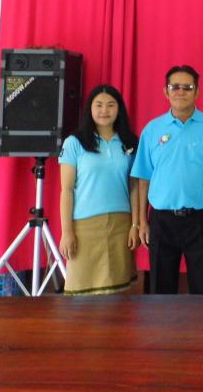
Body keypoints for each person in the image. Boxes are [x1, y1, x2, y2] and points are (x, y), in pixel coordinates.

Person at [131, 65, 203, 294]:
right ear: (166, 91)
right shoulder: (152, 130)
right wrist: (142, 221)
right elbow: (143, 179)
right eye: (175, 87)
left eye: (187, 87)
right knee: (160, 291)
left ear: (197, 92)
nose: (181, 92)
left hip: (201, 219)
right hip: (162, 219)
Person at [58, 84, 139, 295]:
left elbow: (134, 187)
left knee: (118, 294)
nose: (105, 110)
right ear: (90, 109)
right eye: (99, 105)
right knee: (81, 295)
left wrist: (135, 225)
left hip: (121, 226)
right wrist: (67, 232)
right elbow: (67, 190)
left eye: (111, 105)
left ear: (119, 109)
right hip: (84, 228)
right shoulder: (74, 143)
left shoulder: (129, 142)